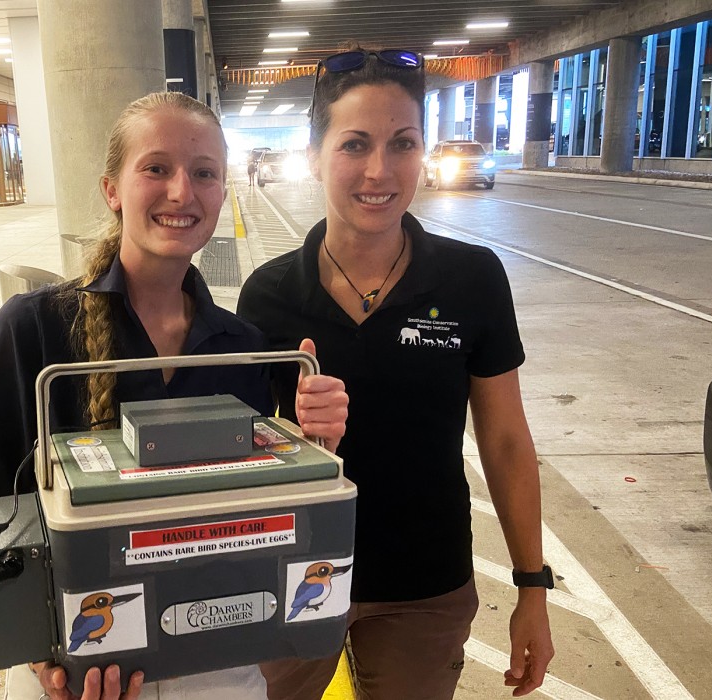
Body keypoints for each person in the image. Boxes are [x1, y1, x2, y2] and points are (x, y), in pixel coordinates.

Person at [0, 91, 347, 700]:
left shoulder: (241, 347)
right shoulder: (36, 328)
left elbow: (266, 526)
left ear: (222, 194)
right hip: (76, 673)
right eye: (156, 168)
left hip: (216, 672)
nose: (182, 192)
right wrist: (43, 657)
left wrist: (319, 441)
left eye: (204, 173)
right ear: (111, 190)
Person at [238, 46, 554, 699]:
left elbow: (505, 442)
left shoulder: (472, 280)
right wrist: (289, 430)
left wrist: (533, 588)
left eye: (402, 143)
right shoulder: (269, 296)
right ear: (317, 153)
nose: (379, 170)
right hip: (297, 573)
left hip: (424, 584)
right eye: (355, 144)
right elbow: (238, 456)